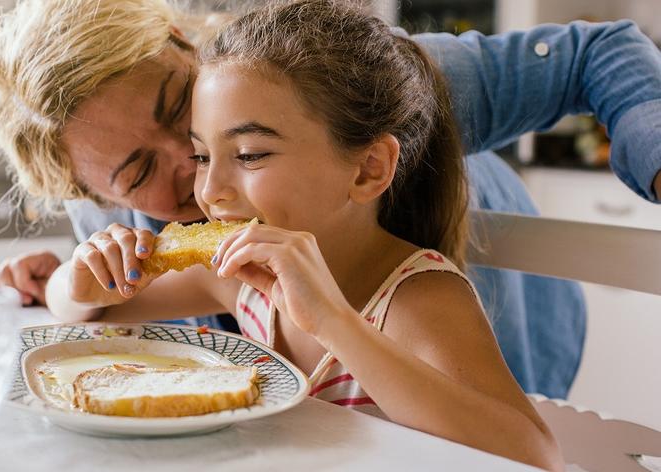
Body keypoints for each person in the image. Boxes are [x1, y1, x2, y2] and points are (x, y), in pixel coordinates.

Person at [0, 0, 661, 399]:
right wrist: (66, 278)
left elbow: (593, 53)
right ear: (91, 196)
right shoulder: (126, 227)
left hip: (510, 350)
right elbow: (101, 300)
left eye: (179, 102)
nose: (197, 167)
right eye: (137, 171)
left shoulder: (361, 87)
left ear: (184, 45)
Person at [46, 2, 563, 468]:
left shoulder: (415, 298)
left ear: (367, 170)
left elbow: (534, 454)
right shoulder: (236, 280)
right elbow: (88, 310)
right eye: (203, 155)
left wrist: (332, 321)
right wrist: (82, 279)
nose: (211, 190)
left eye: (249, 155)